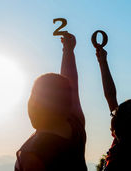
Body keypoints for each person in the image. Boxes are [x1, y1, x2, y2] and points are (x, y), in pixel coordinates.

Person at [15, 32, 87, 171]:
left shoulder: (33, 155)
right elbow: (71, 85)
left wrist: (68, 50)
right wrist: (68, 50)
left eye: (33, 96)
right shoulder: (76, 126)